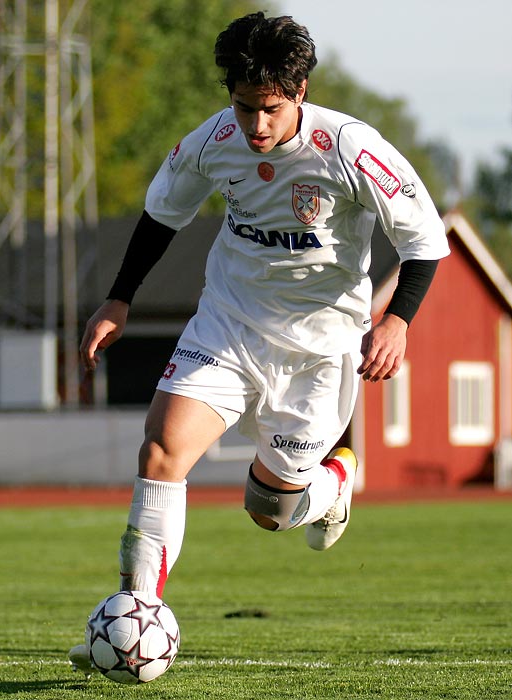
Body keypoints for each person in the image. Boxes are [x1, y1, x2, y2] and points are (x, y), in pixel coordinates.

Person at [69, 11, 449, 674]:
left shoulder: (351, 149)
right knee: (161, 450)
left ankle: (334, 480)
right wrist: (120, 296)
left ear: (298, 92)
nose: (255, 127)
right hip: (229, 324)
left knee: (269, 511)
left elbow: (425, 242)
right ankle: (134, 618)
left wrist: (397, 322)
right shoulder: (214, 140)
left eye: (269, 110)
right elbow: (163, 214)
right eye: (243, 109)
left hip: (317, 351)